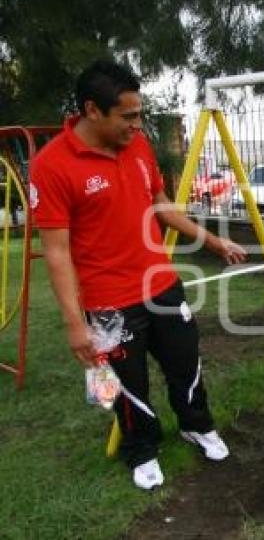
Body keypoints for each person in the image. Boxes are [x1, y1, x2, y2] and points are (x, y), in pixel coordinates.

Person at [30, 60, 248, 491]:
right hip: (107, 304)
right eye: (128, 116)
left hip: (162, 285)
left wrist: (213, 241)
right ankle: (141, 451)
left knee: (187, 364)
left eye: (139, 114)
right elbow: (55, 253)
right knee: (124, 389)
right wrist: (75, 325)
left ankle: (195, 425)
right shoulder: (52, 166)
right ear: (93, 111)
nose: (137, 124)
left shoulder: (138, 144)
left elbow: (162, 203)